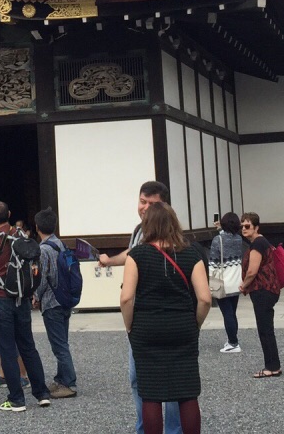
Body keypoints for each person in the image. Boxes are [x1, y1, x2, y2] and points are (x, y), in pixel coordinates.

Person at [98, 181, 183, 434]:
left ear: (164, 205)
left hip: (159, 312)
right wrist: (110, 260)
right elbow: (132, 254)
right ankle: (144, 427)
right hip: (141, 315)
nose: (145, 208)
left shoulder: (171, 235)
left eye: (152, 203)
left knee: (170, 381)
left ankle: (173, 429)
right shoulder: (138, 230)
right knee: (138, 379)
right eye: (142, 202)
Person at [121, 202, 212, 434]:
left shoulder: (137, 255)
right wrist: (195, 324)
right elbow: (205, 299)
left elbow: (126, 298)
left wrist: (130, 326)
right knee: (187, 391)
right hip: (182, 326)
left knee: (151, 392)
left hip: (147, 328)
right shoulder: (191, 254)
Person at [0, 200, 52, 412]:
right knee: (28, 346)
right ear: (9, 214)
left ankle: (17, 399)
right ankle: (42, 393)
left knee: (7, 350)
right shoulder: (23, 237)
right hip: (23, 298)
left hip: (0, 298)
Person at [33, 207, 78, 398]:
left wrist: (35, 296)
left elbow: (43, 277)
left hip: (52, 302)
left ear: (37, 227)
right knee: (62, 341)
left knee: (59, 345)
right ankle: (61, 379)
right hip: (65, 298)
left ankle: (69, 383)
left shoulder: (43, 249)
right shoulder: (61, 244)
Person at [239, 212, 283, 377]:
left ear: (256, 227)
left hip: (263, 290)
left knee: (265, 330)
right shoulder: (261, 241)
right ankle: (273, 365)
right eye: (242, 226)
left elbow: (252, 271)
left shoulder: (257, 244)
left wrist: (244, 286)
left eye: (247, 226)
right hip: (268, 289)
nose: (244, 229)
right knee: (266, 329)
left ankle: (271, 367)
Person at [210, 213, 245, 353]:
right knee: (232, 312)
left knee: (227, 314)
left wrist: (210, 281)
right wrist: (220, 229)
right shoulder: (238, 239)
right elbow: (227, 239)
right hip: (236, 281)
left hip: (222, 282)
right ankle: (233, 339)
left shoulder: (217, 240)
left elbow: (213, 262)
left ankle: (233, 343)